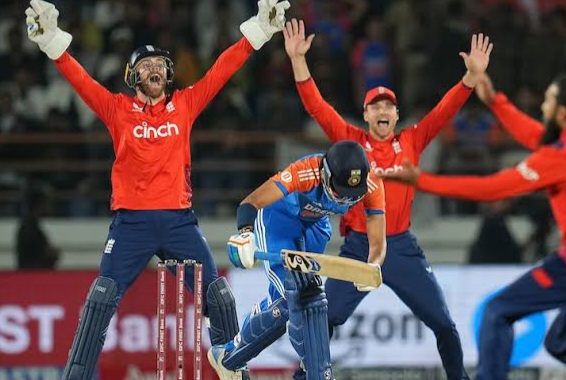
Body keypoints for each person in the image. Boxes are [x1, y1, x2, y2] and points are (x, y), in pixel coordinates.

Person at [24, 0, 290, 379]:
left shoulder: (184, 105)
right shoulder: (117, 109)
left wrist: (258, 32)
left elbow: (221, 70)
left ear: (169, 75)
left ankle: (236, 373)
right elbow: (81, 80)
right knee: (100, 299)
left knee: (220, 297)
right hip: (131, 225)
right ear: (133, 76)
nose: (154, 69)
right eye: (145, 66)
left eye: (160, 66)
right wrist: (52, 41)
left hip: (179, 223)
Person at [283, 18, 493, 380]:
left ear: (396, 115)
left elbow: (445, 111)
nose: (382, 111)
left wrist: (471, 77)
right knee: (325, 320)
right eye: (375, 107)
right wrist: (298, 61)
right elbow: (317, 106)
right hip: (359, 247)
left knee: (444, 324)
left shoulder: (412, 140)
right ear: (366, 116)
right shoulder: (350, 140)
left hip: (400, 247)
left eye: (388, 107)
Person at [381, 73, 566, 380]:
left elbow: (492, 188)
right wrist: (495, 100)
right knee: (558, 342)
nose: (543, 107)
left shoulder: (557, 157)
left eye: (548, 100)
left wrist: (422, 180)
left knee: (497, 313)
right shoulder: (557, 146)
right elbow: (537, 136)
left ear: (561, 114)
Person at [208, 140, 386, 380]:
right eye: (340, 194)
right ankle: (314, 372)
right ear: (325, 175)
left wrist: (373, 265)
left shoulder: (372, 182)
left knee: (287, 302)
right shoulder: (304, 172)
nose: (345, 201)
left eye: (352, 196)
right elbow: (250, 203)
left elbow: (378, 242)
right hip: (278, 222)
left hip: (315, 225)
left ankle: (229, 357)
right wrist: (245, 236)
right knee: (300, 297)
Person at [16, 186, 60, 269]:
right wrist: (50, 255)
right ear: (40, 204)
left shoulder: (31, 225)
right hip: (31, 276)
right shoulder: (29, 228)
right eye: (46, 202)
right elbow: (30, 260)